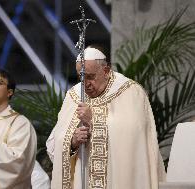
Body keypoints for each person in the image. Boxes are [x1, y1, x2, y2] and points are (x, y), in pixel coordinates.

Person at [46, 45, 166, 189]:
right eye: (81, 77)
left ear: (106, 71)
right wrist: (72, 141)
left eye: (90, 77)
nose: (85, 84)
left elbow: (134, 136)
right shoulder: (74, 95)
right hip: (82, 178)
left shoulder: (131, 91)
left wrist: (94, 120)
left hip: (118, 179)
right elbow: (55, 141)